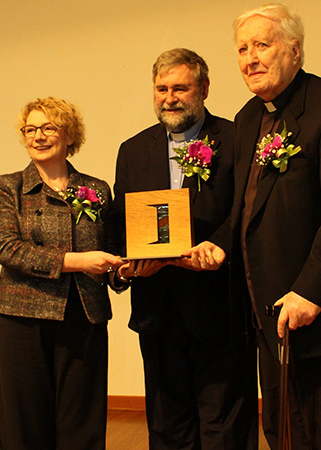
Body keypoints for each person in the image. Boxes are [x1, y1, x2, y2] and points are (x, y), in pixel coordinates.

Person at [190, 4, 321, 449]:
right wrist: (218, 244)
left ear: (294, 50)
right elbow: (246, 207)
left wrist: (312, 292)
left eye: (262, 45)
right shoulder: (246, 120)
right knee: (283, 436)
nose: (250, 58)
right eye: (242, 49)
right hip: (272, 322)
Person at [113, 48, 258, 449]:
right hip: (157, 310)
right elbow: (122, 222)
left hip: (220, 308)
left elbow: (248, 209)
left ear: (204, 88)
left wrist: (220, 246)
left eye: (180, 87)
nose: (169, 97)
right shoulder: (133, 149)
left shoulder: (236, 138)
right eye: (162, 88)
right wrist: (130, 266)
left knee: (225, 426)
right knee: (167, 426)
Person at [0, 97, 123, 449]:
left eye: (48, 127)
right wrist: (77, 262)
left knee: (83, 423)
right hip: (22, 320)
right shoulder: (9, 187)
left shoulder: (96, 190)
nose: (38, 136)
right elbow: (8, 248)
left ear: (69, 136)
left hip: (84, 316)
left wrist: (126, 272)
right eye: (30, 129)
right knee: (25, 425)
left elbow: (110, 255)